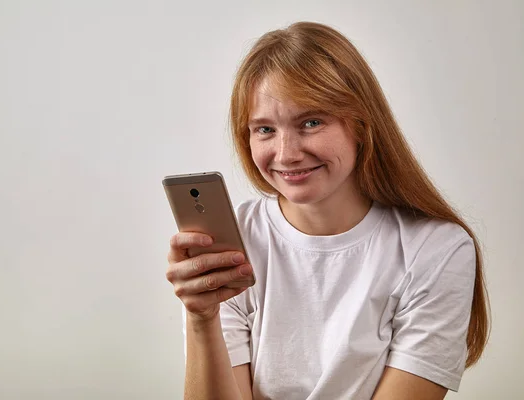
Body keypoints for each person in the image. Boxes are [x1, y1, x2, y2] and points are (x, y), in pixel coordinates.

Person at [165, 21, 489, 400]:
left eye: (311, 122)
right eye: (265, 129)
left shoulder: (435, 251)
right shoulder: (234, 240)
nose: (286, 154)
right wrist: (201, 320)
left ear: (362, 125)